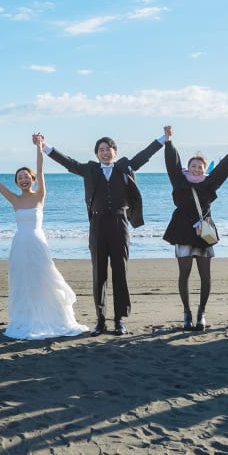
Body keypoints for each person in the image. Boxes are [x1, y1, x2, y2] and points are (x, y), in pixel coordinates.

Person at [44, 130, 164, 336]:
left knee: (120, 272)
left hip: (120, 223)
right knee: (99, 273)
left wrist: (163, 139)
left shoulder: (125, 167)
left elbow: (145, 155)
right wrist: (45, 147)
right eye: (101, 150)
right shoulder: (89, 170)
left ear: (115, 152)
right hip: (97, 224)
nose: (105, 153)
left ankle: (119, 320)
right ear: (96, 153)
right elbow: (68, 163)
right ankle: (100, 320)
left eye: (108, 149)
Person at [0, 134, 87, 340]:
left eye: (26, 176)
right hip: (19, 245)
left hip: (37, 243)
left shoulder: (40, 195)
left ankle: (51, 317)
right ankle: (27, 318)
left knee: (45, 279)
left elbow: (40, 168)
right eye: (19, 178)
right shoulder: (15, 199)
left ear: (32, 179)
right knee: (23, 284)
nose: (23, 179)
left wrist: (39, 146)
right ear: (17, 182)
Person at [162, 127, 228, 331]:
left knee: (205, 275)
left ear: (205, 169)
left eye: (200, 167)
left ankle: (202, 313)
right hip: (182, 230)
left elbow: (222, 170)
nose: (196, 169)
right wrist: (168, 142)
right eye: (193, 166)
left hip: (203, 231)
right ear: (188, 167)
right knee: (184, 274)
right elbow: (172, 164)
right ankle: (187, 313)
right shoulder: (179, 181)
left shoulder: (209, 183)